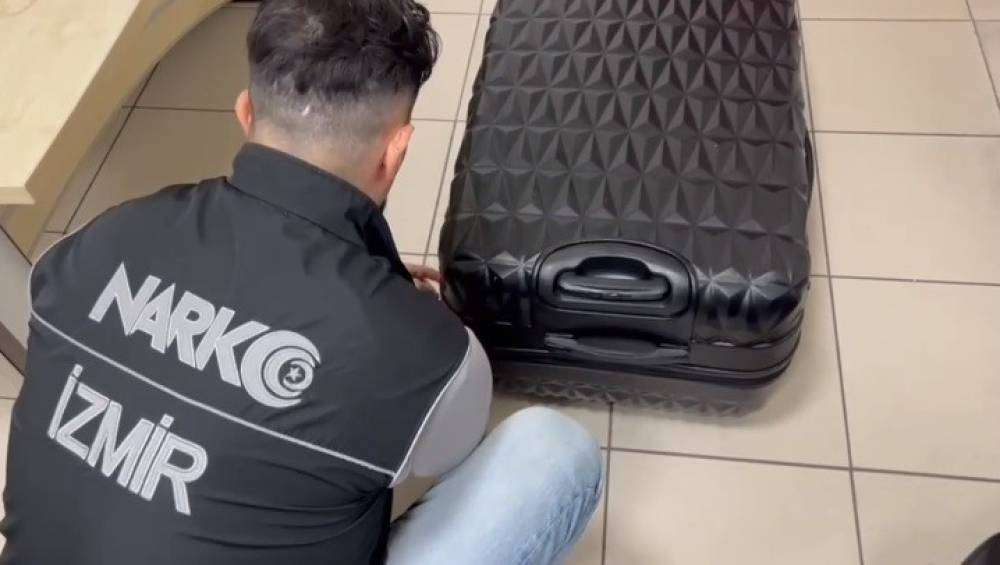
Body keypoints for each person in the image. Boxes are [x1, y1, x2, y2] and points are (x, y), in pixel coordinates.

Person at [0, 1, 603, 564]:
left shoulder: (99, 238)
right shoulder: (426, 354)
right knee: (553, 451)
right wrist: (404, 327)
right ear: (396, 152)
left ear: (245, 112)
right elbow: (445, 448)